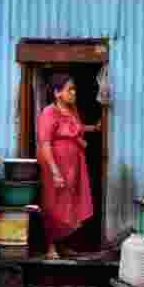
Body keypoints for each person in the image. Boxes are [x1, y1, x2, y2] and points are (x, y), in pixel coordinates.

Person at [36, 74, 100, 260]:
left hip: (73, 167)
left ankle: (63, 244)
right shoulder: (49, 113)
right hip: (54, 166)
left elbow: (75, 129)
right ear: (57, 93)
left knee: (68, 205)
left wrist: (94, 128)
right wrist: (55, 172)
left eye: (74, 89)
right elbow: (45, 143)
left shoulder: (72, 111)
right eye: (69, 89)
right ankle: (50, 246)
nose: (74, 93)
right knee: (53, 204)